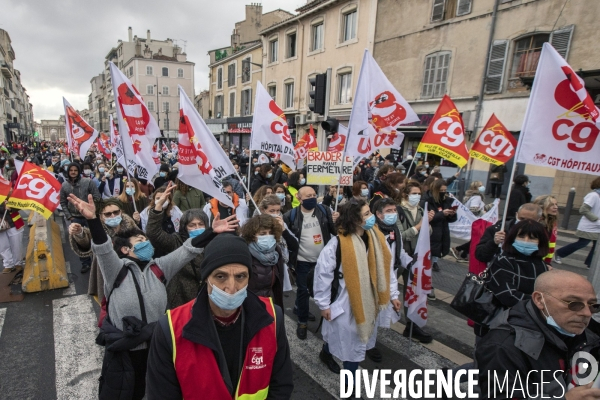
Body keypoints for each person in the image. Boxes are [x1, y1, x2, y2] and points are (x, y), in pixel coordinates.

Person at [66, 192, 238, 400]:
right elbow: (103, 249)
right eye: (140, 240)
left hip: (158, 347)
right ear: (125, 249)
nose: (145, 242)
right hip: (125, 353)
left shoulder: (159, 268)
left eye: (145, 239)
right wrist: (92, 220)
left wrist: (211, 232)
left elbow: (187, 250)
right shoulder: (116, 270)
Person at [145, 233, 294, 399]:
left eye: (240, 277)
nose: (231, 287)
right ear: (206, 278)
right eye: (220, 276)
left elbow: (281, 384)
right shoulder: (170, 328)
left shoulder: (273, 317)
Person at [476, 270, 600, 399]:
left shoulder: (590, 335)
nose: (587, 313)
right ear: (540, 300)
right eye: (573, 304)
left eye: (593, 305)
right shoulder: (502, 346)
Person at [314, 199, 401, 382]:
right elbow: (323, 275)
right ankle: (349, 388)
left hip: (370, 300)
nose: (371, 218)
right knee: (352, 348)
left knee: (350, 341)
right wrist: (323, 305)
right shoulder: (337, 244)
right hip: (347, 304)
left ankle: (326, 352)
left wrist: (393, 295)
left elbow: (386, 268)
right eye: (367, 214)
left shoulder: (377, 239)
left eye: (370, 213)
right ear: (354, 219)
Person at [146, 186, 223, 308]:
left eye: (200, 224)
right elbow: (154, 233)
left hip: (208, 297)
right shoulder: (177, 241)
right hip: (181, 298)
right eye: (192, 225)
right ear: (184, 227)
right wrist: (158, 207)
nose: (197, 228)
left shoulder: (213, 242)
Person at [283, 186, 338, 339]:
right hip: (302, 262)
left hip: (323, 262)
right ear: (299, 199)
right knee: (303, 291)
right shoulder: (290, 216)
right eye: (308, 196)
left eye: (314, 195)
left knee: (326, 290)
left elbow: (335, 232)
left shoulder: (324, 210)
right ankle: (302, 322)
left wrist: (337, 221)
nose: (312, 198)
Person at [479, 219, 550, 337]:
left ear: (540, 242)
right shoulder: (504, 260)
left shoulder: (541, 265)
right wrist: (542, 303)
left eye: (532, 238)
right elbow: (508, 295)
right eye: (521, 237)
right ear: (513, 238)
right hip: (499, 323)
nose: (526, 241)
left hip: (528, 325)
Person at [69, 199, 138, 305]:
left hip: (132, 272)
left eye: (116, 212)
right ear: (101, 216)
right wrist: (79, 233)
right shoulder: (98, 230)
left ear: (121, 212)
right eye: (108, 214)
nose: (113, 216)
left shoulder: (130, 225)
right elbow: (88, 241)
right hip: (109, 276)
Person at [397, 181, 435, 342]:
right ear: (406, 195)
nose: (417, 196)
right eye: (414, 193)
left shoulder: (420, 210)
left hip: (416, 258)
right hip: (400, 256)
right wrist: (419, 226)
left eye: (419, 193)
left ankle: (411, 325)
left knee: (412, 291)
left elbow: (427, 233)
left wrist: (427, 224)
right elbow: (401, 236)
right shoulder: (398, 211)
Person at [59, 162, 101, 274]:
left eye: (75, 170)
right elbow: (62, 202)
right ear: (68, 172)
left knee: (94, 239)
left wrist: (93, 212)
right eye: (71, 170)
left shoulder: (88, 182)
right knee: (80, 243)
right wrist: (70, 217)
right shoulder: (64, 185)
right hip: (75, 218)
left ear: (79, 171)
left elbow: (97, 197)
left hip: (89, 217)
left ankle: (97, 262)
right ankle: (85, 263)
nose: (73, 172)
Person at [241, 214, 286, 309]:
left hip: (270, 302)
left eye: (271, 233)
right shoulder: (244, 252)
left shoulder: (276, 252)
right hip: (249, 304)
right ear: (253, 236)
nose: (268, 236)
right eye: (262, 234)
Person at [475, 203, 543, 263]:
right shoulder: (498, 229)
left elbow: (542, 255)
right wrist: (493, 243)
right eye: (522, 219)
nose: (524, 223)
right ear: (516, 215)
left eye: (529, 220)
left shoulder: (541, 234)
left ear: (539, 219)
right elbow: (481, 256)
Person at [555, 177, 600, 267]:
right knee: (582, 243)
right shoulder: (593, 195)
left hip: (597, 226)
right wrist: (596, 219)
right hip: (589, 226)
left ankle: (590, 264)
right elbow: (583, 209)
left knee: (596, 246)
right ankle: (560, 253)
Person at [420, 179, 457, 278]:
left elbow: (451, 220)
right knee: (425, 262)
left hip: (441, 234)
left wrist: (451, 214)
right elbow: (424, 219)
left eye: (445, 190)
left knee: (432, 259)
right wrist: (441, 214)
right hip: (430, 234)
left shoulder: (445, 201)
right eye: (441, 190)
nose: (443, 193)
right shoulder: (426, 201)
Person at [450, 180, 493, 261]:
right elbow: (474, 209)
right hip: (476, 221)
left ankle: (463, 253)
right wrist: (485, 210)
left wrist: (487, 207)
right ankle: (458, 249)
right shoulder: (477, 197)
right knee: (477, 239)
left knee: (475, 239)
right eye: (480, 185)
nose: (482, 187)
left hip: (472, 220)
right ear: (475, 187)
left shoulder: (471, 196)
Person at [0, 201, 24, 274]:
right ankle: (8, 265)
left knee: (16, 245)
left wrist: (11, 207)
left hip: (14, 223)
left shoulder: (13, 193)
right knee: (3, 247)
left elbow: (21, 204)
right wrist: (3, 207)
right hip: (1, 226)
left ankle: (18, 264)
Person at [534, 194, 559, 265]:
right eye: (552, 205)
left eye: (556, 204)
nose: (556, 207)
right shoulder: (537, 223)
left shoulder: (551, 221)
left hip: (545, 261)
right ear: (542, 207)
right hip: (537, 261)